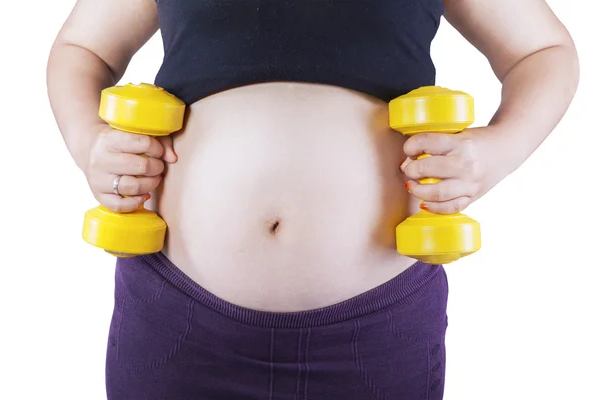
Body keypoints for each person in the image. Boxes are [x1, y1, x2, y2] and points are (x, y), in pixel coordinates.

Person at [46, 0, 579, 398]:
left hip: (371, 330)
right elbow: (82, 48)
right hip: (179, 320)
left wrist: (495, 153)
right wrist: (87, 140)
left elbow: (543, 50)